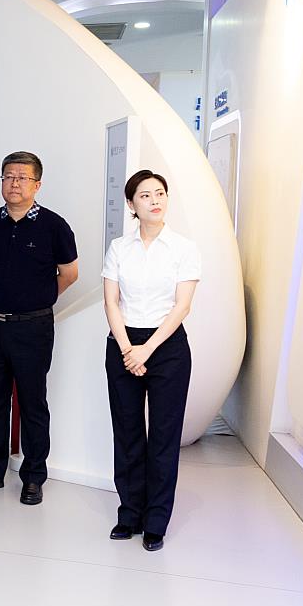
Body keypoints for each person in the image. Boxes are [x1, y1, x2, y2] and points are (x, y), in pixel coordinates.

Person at [0, 151, 78, 506]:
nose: (14, 183)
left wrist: (38, 298)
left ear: (37, 185)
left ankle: (33, 476)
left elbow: (70, 274)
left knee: (32, 402)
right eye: (8, 176)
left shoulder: (54, 225)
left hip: (33, 328)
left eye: (22, 177)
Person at [102, 170, 200, 552]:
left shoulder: (183, 248)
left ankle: (156, 520)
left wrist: (146, 350)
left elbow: (182, 306)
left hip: (167, 347)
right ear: (131, 204)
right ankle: (129, 513)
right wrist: (129, 348)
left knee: (163, 436)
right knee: (127, 434)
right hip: (123, 343)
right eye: (145, 195)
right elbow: (111, 302)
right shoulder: (118, 248)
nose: (155, 201)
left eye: (160, 193)